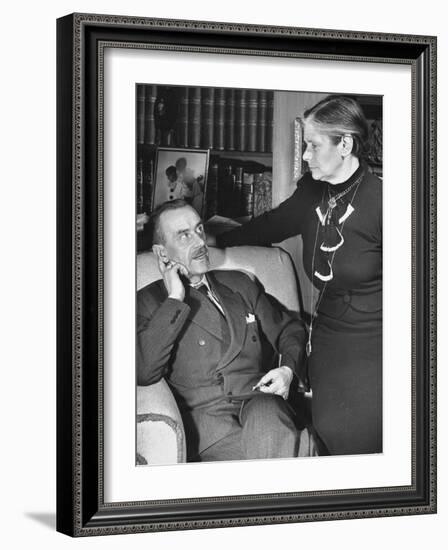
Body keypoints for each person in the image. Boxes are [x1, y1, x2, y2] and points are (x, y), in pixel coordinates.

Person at [215, 95, 382, 456]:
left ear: (346, 144)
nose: (305, 156)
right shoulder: (312, 192)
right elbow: (270, 226)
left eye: (313, 145)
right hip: (328, 345)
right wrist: (210, 240)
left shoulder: (387, 201)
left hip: (379, 349)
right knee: (329, 445)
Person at [137, 199, 309, 462]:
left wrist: (288, 370)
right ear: (162, 253)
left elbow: (289, 328)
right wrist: (175, 297)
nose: (199, 242)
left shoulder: (239, 283)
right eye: (184, 236)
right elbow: (144, 370)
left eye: (199, 230)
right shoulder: (148, 302)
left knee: (270, 424)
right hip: (208, 426)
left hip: (260, 402)